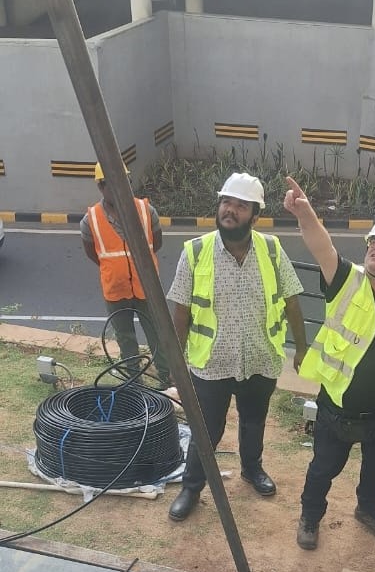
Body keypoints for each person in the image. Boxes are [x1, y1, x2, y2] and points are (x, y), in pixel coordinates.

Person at [284, 176, 375, 551]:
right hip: (338, 409)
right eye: (373, 242)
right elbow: (322, 246)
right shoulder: (346, 281)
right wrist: (305, 214)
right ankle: (310, 518)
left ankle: (367, 510)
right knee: (323, 469)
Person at [167, 172, 307, 521]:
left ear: (255, 215)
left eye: (240, 205)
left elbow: (291, 301)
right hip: (211, 363)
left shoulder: (272, 249)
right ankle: (191, 487)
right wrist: (175, 359)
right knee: (207, 430)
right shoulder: (196, 252)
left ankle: (252, 469)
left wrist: (302, 348)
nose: (230, 210)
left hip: (260, 358)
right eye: (226, 202)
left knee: (254, 421)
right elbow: (181, 312)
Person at [81, 162, 171, 387]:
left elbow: (156, 243)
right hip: (116, 290)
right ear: (102, 187)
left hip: (147, 288)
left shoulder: (146, 211)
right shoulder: (90, 220)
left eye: (125, 182)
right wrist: (117, 268)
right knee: (126, 339)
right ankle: (134, 383)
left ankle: (166, 379)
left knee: (157, 335)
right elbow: (95, 254)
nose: (122, 188)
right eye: (113, 184)